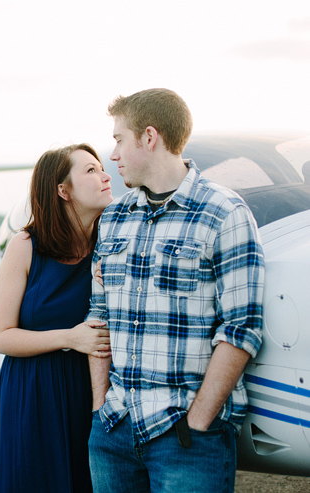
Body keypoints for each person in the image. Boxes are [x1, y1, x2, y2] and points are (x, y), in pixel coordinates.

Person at [87, 88, 265, 493]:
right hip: (113, 430)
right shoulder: (114, 218)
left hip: (186, 437)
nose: (112, 155)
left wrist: (199, 421)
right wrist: (100, 408)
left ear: (149, 137)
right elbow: (99, 318)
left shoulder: (224, 213)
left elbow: (242, 328)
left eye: (118, 140)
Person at [0, 144, 113, 492]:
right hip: (33, 395)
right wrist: (69, 337)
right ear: (63, 190)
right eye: (90, 170)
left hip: (91, 391)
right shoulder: (26, 245)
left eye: (101, 168)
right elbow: (0, 337)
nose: (104, 175)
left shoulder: (113, 243)